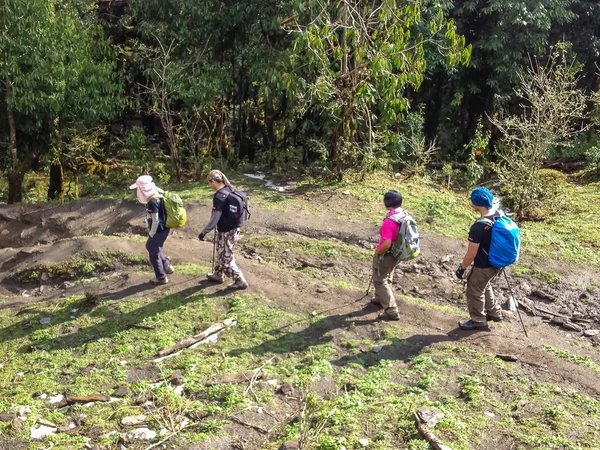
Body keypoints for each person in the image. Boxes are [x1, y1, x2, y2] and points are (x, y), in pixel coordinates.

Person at [455, 187, 503, 330]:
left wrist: (462, 268)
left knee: (474, 289)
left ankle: (478, 321)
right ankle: (494, 312)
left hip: (484, 265)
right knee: (484, 284)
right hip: (497, 262)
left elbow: (471, 254)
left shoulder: (479, 226)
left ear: (476, 204)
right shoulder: (499, 214)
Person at [198, 170, 248, 289]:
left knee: (225, 257)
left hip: (226, 230)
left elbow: (214, 218)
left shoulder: (220, 195)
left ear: (213, 181)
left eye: (209, 182)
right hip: (234, 228)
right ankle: (218, 274)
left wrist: (204, 232)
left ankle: (239, 279)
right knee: (221, 251)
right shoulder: (231, 189)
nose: (209, 185)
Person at [129, 175, 174, 285]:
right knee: (156, 248)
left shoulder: (152, 202)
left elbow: (156, 220)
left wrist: (151, 233)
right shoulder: (159, 197)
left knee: (151, 248)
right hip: (165, 229)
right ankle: (167, 266)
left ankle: (161, 277)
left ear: (142, 189)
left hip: (158, 230)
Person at [371, 190, 407, 321]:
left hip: (387, 253)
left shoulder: (389, 221)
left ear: (386, 203)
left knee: (380, 280)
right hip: (398, 252)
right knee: (387, 274)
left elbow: (386, 243)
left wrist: (378, 252)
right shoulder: (402, 214)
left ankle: (391, 311)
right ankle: (381, 298)